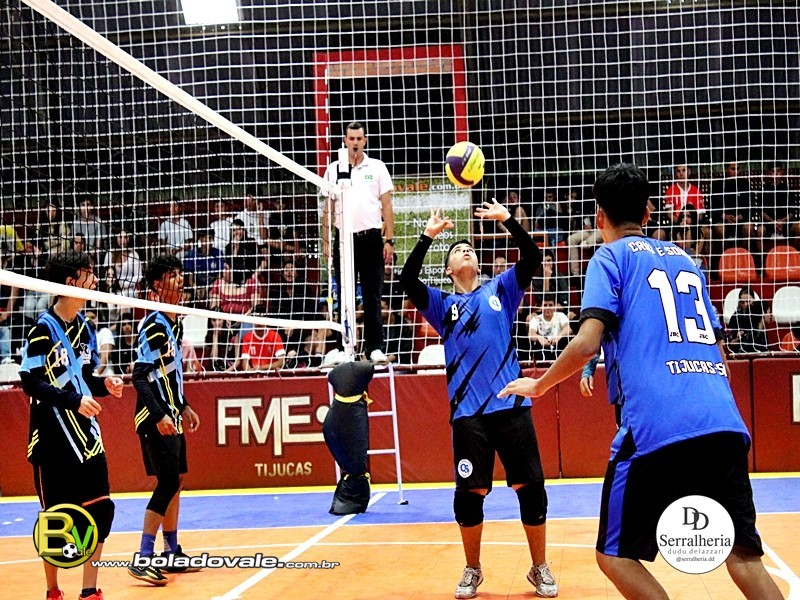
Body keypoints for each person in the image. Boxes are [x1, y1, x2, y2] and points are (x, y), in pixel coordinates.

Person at [499, 163, 782, 600]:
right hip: (723, 422)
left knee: (615, 556)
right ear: (649, 212)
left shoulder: (609, 257)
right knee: (744, 557)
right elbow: (720, 354)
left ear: (599, 216)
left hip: (656, 426)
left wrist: (539, 385)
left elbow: (586, 342)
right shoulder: (686, 260)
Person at [400, 200, 557, 599]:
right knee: (469, 495)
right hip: (468, 414)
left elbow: (533, 258)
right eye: (457, 251)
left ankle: (539, 567)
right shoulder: (442, 306)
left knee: (531, 488)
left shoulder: (500, 290)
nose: (465, 251)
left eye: (469, 248)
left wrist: (509, 221)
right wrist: (427, 237)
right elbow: (406, 280)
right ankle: (473, 569)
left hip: (511, 404)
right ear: (449, 270)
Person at [19, 251, 124, 600]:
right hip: (52, 439)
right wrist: (73, 401)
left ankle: (89, 590)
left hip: (87, 437)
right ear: (70, 282)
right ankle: (53, 590)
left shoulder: (84, 329)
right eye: (88, 274)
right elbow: (31, 382)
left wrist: (104, 384)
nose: (95, 280)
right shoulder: (42, 330)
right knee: (56, 520)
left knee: (102, 509)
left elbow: (85, 378)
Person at [128, 254, 201, 586]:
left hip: (172, 415)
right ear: (157, 285)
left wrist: (183, 406)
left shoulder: (176, 324)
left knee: (176, 481)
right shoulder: (154, 326)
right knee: (167, 483)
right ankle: (143, 557)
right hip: (154, 418)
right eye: (172, 275)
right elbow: (140, 377)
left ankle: (171, 551)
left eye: (180, 273)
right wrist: (159, 415)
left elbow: (167, 375)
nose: (180, 279)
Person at [322, 121, 394, 364]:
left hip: (371, 238)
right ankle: (342, 346)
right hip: (343, 239)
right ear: (345, 141)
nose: (354, 143)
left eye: (358, 139)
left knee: (373, 294)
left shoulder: (377, 167)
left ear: (365, 141)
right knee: (344, 295)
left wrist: (389, 240)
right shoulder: (333, 169)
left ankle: (374, 348)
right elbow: (327, 209)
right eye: (351, 138)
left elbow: (387, 206)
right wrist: (325, 241)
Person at [527, 296, 571, 363]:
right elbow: (531, 333)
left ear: (554, 306)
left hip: (558, 348)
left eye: (550, 305)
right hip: (543, 349)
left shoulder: (561, 315)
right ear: (541, 307)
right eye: (545, 305)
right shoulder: (536, 319)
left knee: (564, 340)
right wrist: (539, 338)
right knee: (536, 344)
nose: (547, 308)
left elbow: (568, 328)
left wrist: (558, 337)